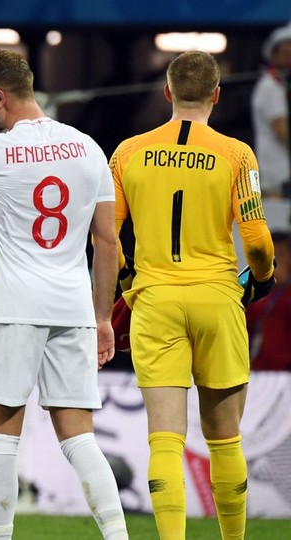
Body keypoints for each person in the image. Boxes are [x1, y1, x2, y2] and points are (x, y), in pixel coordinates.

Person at [0, 49, 128, 540]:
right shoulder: (89, 148)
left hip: (13, 308)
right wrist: (102, 319)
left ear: (0, 97)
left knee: (0, 442)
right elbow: (108, 240)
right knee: (80, 439)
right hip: (72, 307)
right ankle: (118, 537)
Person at [110, 50, 276, 539]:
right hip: (218, 299)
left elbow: (108, 239)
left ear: (167, 92)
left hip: (156, 300)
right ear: (217, 96)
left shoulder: (127, 152)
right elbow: (259, 242)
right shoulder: (236, 154)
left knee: (165, 439)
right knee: (225, 440)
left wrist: (125, 286)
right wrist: (262, 280)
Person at [251, 23, 291, 199]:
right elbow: (283, 132)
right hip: (276, 181)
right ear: (273, 55)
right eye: (286, 54)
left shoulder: (283, 87)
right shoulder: (270, 87)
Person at [246, 232, 290, 371]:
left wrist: (286, 286)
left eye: (281, 254)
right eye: (271, 254)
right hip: (261, 369)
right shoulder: (257, 288)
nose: (275, 260)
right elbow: (247, 328)